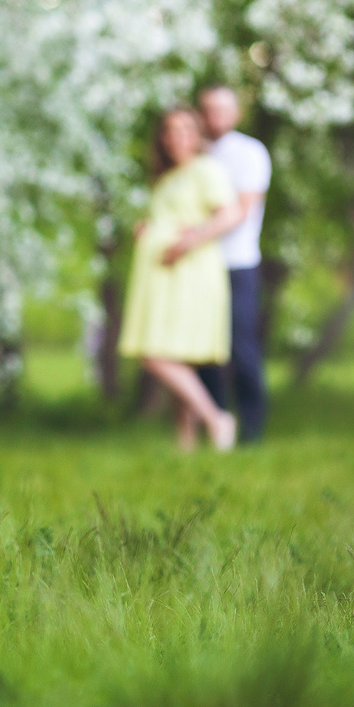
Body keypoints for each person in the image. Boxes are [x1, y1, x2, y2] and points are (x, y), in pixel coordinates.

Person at [118, 107, 242, 451]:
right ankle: (185, 445)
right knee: (178, 355)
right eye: (170, 130)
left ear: (198, 133)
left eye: (185, 128)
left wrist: (190, 241)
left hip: (189, 272)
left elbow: (231, 213)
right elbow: (169, 218)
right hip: (164, 277)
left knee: (155, 354)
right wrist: (148, 229)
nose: (177, 136)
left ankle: (216, 419)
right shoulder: (168, 177)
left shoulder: (206, 169)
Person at [197, 86, 271, 442]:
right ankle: (217, 424)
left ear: (236, 113)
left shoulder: (249, 152)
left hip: (238, 264)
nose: (215, 116)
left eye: (222, 109)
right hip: (200, 266)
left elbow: (243, 210)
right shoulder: (196, 153)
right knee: (203, 350)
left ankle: (252, 431)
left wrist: (193, 237)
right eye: (209, 109)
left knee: (242, 349)